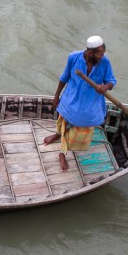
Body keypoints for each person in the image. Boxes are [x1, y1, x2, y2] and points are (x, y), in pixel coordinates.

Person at [43, 35, 117, 172]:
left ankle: (64, 144)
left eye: (102, 54)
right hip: (71, 98)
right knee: (64, 121)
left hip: (90, 102)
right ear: (90, 53)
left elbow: (111, 81)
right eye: (99, 54)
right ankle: (62, 151)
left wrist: (105, 87)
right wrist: (56, 96)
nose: (101, 57)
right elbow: (64, 78)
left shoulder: (105, 62)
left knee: (81, 130)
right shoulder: (74, 57)